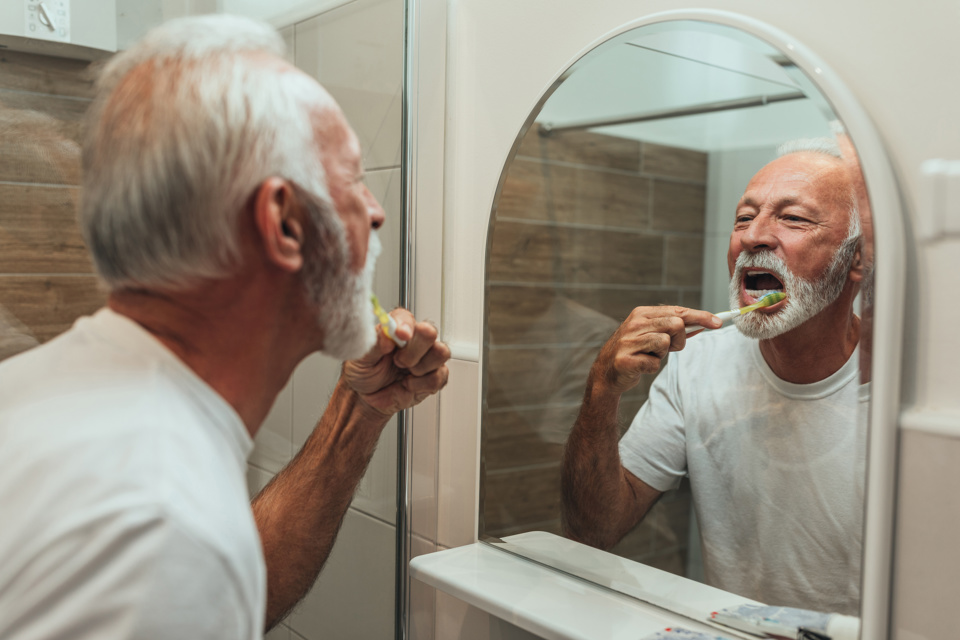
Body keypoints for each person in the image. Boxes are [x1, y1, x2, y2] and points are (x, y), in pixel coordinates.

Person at [0, 15, 450, 640]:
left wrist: (359, 410)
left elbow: (225, 588)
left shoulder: (54, 391)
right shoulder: (161, 523)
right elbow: (185, 559)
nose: (376, 213)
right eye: (351, 177)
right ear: (284, 224)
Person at [561, 139, 867, 616]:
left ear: (857, 261)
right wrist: (601, 388)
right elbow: (593, 530)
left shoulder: (908, 388)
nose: (753, 237)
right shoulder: (696, 362)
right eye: (744, 218)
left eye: (793, 218)